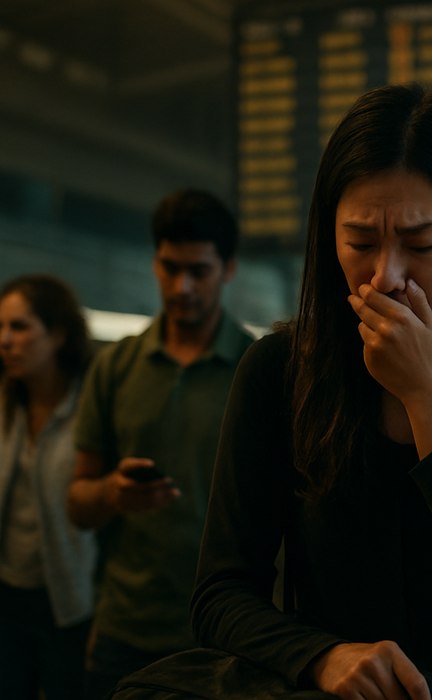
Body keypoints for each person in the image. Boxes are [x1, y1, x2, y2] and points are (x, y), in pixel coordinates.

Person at [190, 84, 432, 700]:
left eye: (422, 244)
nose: (387, 277)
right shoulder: (278, 371)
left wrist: (426, 393)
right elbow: (220, 595)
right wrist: (320, 656)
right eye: (359, 243)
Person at [66, 188, 254, 699]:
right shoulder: (116, 368)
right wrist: (111, 493)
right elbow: (78, 504)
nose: (181, 286)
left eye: (199, 271)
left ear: (229, 268)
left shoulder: (258, 370)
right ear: (154, 262)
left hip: (226, 637)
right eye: (170, 268)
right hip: (126, 630)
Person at [0, 275, 97, 699]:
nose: (5, 340)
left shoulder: (88, 409)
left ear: (57, 334)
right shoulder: (5, 404)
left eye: (20, 327)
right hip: (6, 593)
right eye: (1, 327)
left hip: (67, 602)